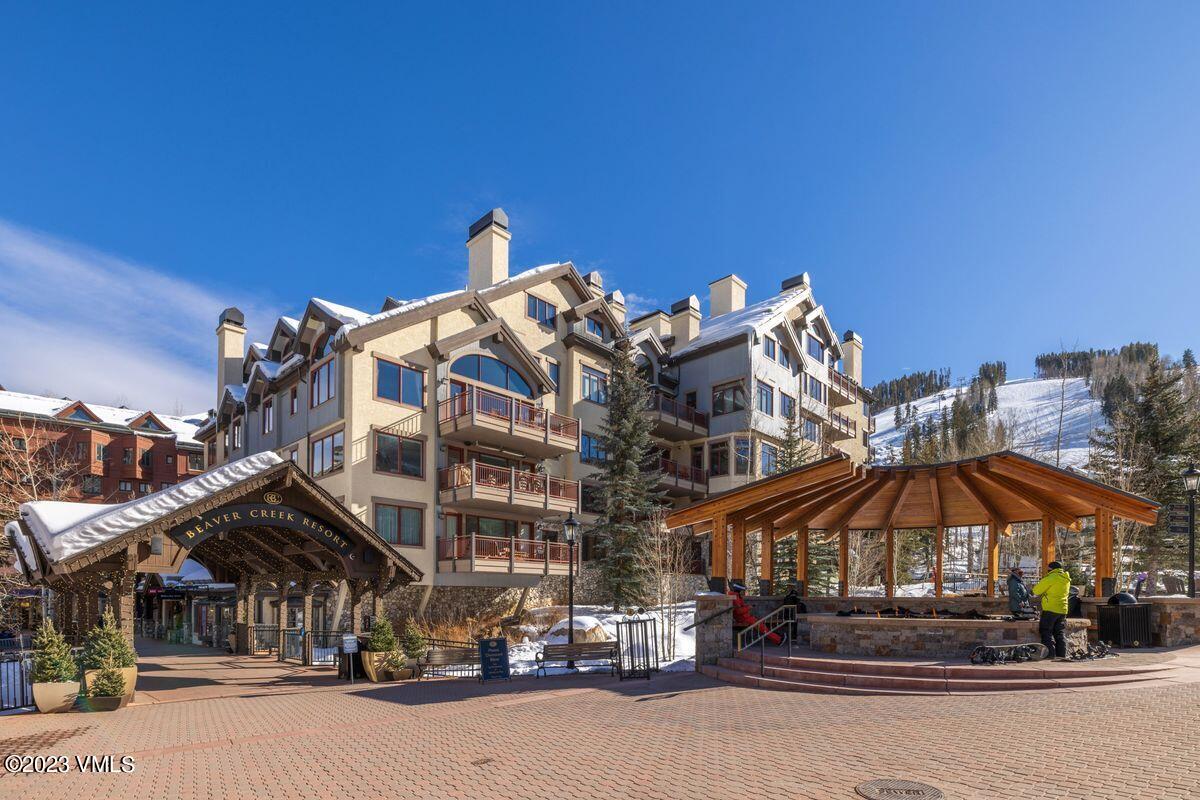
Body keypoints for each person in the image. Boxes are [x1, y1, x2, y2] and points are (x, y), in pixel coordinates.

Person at [1032, 561, 1072, 660]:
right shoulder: (1066, 578)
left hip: (1050, 608)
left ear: (1051, 569)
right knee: (1059, 632)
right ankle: (1061, 654)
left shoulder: (1051, 578)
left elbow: (1036, 591)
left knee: (1046, 631)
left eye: (1048, 569)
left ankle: (1049, 654)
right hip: (1063, 609)